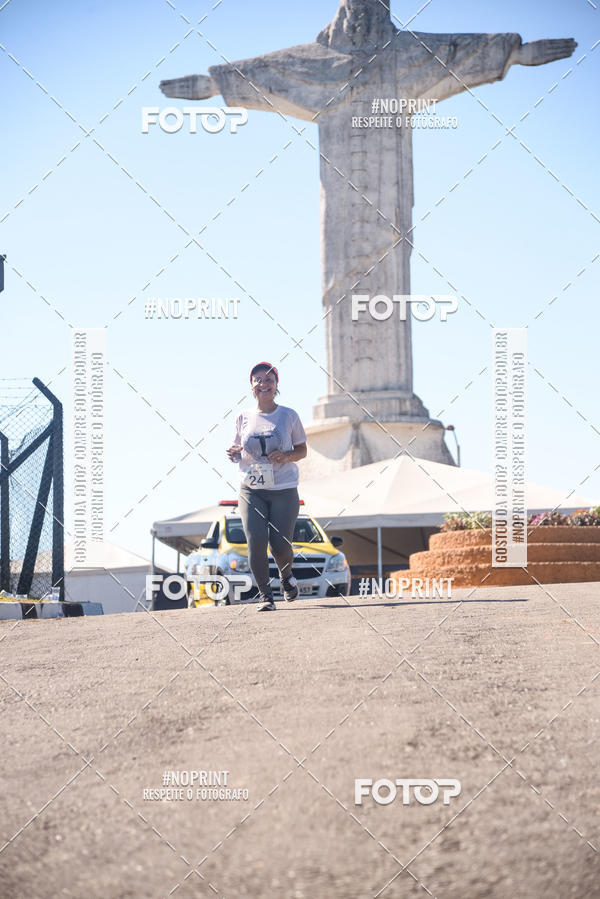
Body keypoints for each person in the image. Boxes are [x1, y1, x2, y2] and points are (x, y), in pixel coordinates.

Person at [226, 363, 307, 611]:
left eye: (269, 379)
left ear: (276, 385)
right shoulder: (242, 417)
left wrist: (285, 456)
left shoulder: (289, 415)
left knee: (280, 545)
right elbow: (237, 452)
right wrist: (234, 453)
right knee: (256, 540)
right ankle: (265, 596)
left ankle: (286, 578)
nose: (264, 384)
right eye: (258, 380)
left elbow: (302, 450)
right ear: (251, 386)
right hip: (252, 488)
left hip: (283, 489)